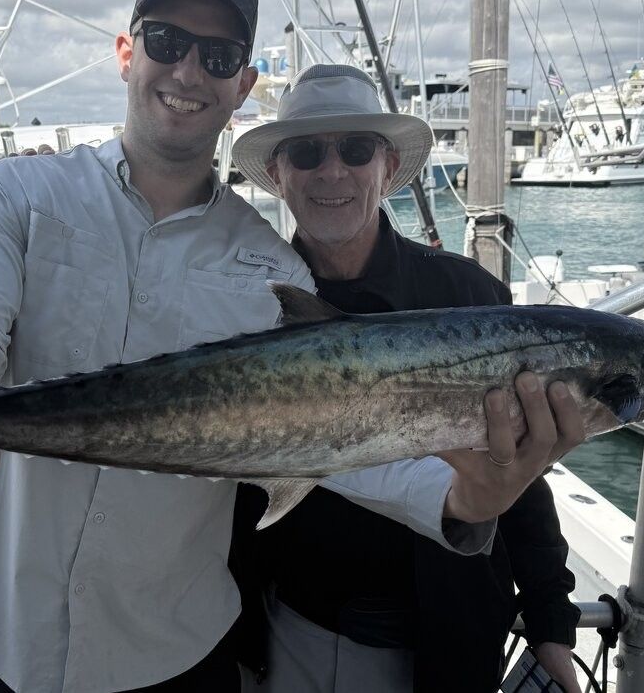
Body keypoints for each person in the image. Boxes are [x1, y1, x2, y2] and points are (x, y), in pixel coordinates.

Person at [0, 0, 584, 693]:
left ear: (242, 84)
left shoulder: (275, 276)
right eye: (168, 43)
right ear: (126, 51)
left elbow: (340, 442)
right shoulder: (15, 196)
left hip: (172, 660)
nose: (187, 72)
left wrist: (467, 503)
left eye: (217, 55)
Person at [230, 64, 583, 693]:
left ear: (387, 168)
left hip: (450, 637)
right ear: (280, 177)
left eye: (356, 150)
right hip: (293, 631)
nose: (332, 172)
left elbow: (525, 472)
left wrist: (551, 621)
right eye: (308, 153)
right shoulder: (245, 303)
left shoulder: (467, 293)